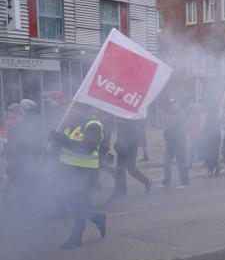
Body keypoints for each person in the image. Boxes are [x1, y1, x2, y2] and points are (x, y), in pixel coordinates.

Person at [49, 103, 106, 250]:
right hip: (69, 170)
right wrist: (53, 140)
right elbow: (63, 147)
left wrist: (62, 139)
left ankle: (76, 237)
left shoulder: (93, 125)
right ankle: (97, 217)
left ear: (86, 110)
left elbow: (88, 148)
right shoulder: (71, 125)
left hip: (85, 172)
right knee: (73, 201)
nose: (71, 111)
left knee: (79, 205)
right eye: (71, 108)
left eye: (75, 108)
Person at [114, 118, 152, 194]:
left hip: (130, 150)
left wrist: (124, 145)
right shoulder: (120, 120)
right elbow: (120, 136)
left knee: (131, 169)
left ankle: (147, 182)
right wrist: (117, 145)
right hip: (121, 149)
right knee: (120, 169)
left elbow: (134, 137)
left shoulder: (133, 122)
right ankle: (122, 190)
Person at [161, 98, 189, 189]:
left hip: (179, 142)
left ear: (177, 105)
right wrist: (166, 133)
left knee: (180, 162)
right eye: (170, 104)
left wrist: (174, 134)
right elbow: (167, 127)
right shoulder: (169, 115)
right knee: (166, 162)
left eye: (173, 104)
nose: (171, 106)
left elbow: (184, 129)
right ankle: (167, 182)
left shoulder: (181, 114)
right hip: (170, 142)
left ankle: (184, 183)